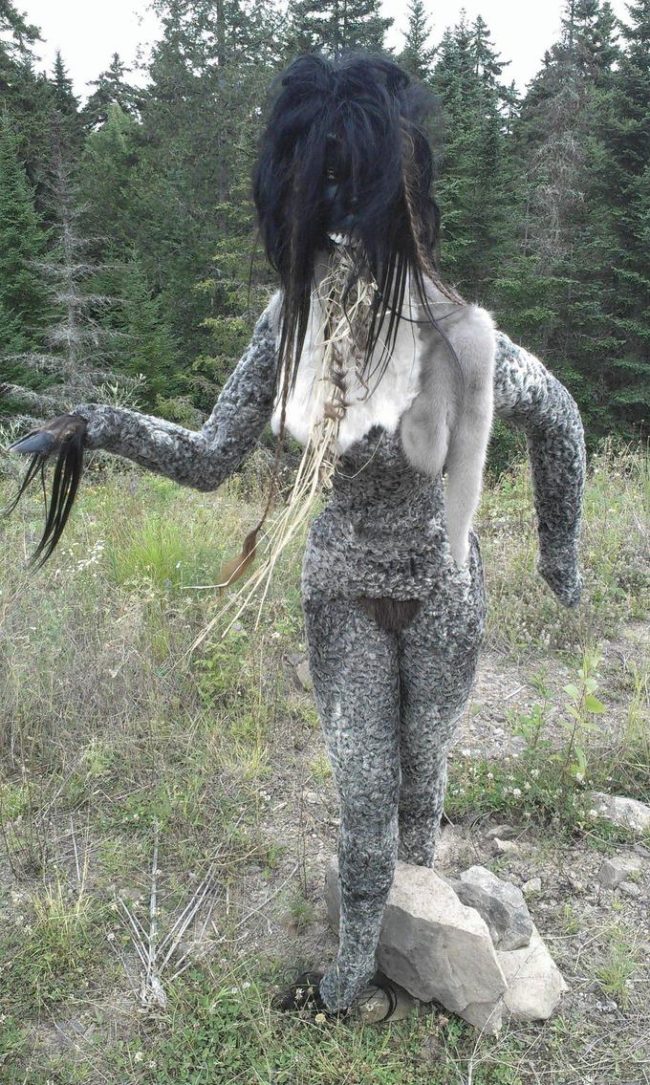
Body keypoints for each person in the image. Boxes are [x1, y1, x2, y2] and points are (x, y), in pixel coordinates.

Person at [8, 54, 585, 1018]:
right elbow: (211, 455)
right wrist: (96, 426)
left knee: (422, 771)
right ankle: (357, 963)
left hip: (444, 587)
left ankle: (416, 923)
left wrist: (560, 549)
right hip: (343, 590)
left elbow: (556, 414)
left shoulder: (450, 331)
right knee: (365, 789)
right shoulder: (291, 325)